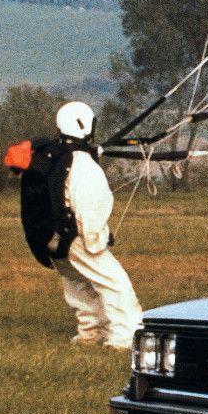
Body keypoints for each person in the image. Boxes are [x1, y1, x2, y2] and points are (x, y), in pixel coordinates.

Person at [52, 101, 142, 350]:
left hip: (53, 240)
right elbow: (88, 208)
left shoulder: (57, 157)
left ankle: (90, 333)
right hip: (79, 238)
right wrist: (95, 242)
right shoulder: (83, 166)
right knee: (115, 285)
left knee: (79, 287)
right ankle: (124, 339)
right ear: (83, 125)